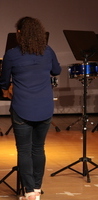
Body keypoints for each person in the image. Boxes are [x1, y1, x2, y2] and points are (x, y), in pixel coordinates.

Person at [0, 16, 61, 200]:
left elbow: (3, 81)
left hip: (22, 107)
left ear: (20, 34)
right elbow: (56, 71)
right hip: (44, 107)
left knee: (24, 150)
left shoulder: (11, 54)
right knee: (38, 148)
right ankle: (36, 188)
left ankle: (28, 192)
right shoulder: (47, 51)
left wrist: (7, 87)